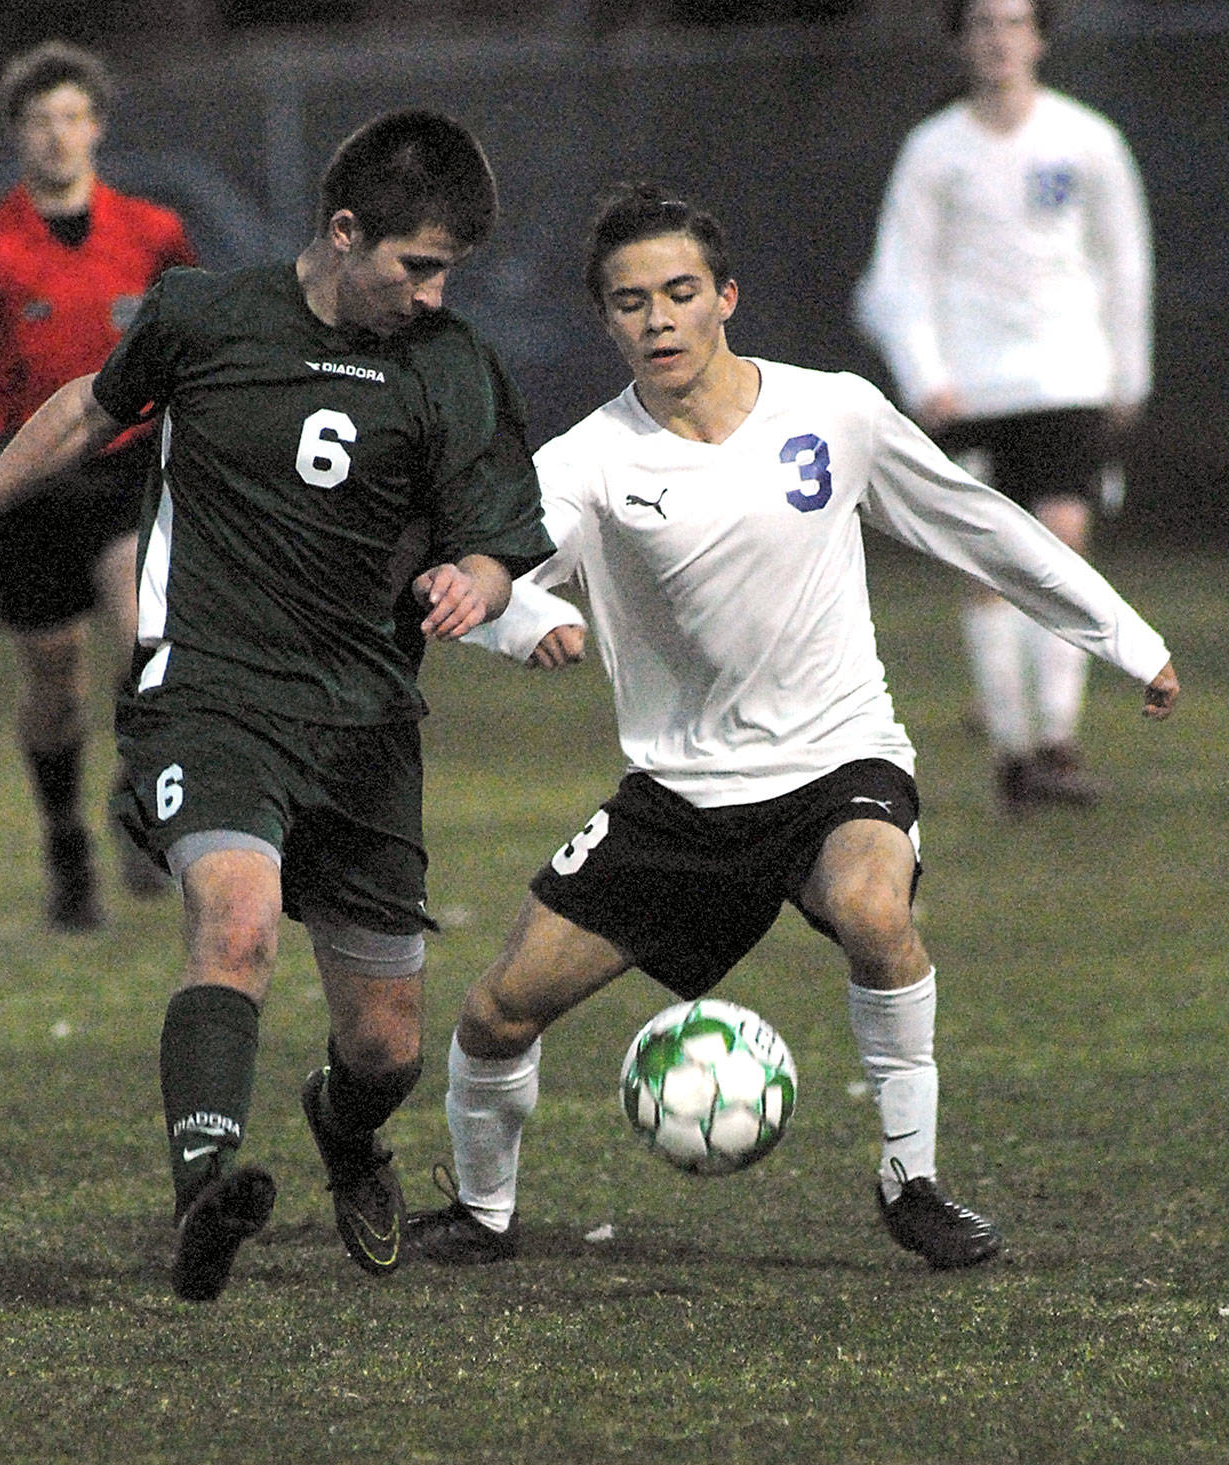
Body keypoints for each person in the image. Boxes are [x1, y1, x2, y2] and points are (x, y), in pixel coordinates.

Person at [406, 183, 1178, 1272]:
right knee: (494, 1014)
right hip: (679, 799)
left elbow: (977, 526)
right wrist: (521, 617)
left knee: (871, 908)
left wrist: (1124, 639)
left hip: (837, 760)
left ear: (724, 297)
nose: (658, 319)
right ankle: (482, 1212)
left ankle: (911, 1180)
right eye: (631, 303)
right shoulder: (589, 461)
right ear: (607, 321)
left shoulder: (834, 412)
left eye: (679, 292)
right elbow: (489, 575)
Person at [0, 110, 553, 1301]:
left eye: (447, 273)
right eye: (414, 266)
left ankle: (345, 1126)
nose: (431, 295)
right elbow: (84, 406)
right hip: (210, 694)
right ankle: (206, 1187)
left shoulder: (450, 365)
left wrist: (465, 580)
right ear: (343, 232)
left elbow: (495, 544)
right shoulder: (203, 315)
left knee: (383, 1044)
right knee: (234, 921)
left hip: (364, 719)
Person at [854, 0, 1153, 815]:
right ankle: (1013, 753)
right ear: (960, 41)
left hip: (1066, 378)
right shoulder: (934, 151)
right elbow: (898, 276)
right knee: (989, 565)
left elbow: (1123, 258)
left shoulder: (1087, 140)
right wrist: (925, 373)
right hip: (972, 386)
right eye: (982, 23)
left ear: (1040, 36)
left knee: (1064, 541)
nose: (999, 38)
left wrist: (1129, 369)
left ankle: (1057, 741)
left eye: (1014, 22)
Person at [0, 41, 197, 929]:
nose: (56, 136)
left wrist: (180, 417)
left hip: (127, 466)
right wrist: (1, 447)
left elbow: (187, 338)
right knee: (56, 687)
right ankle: (65, 842)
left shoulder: (153, 232)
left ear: (95, 126)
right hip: (35, 492)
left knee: (148, 635)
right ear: (17, 135)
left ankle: (136, 804)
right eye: (38, 121)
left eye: (70, 117)